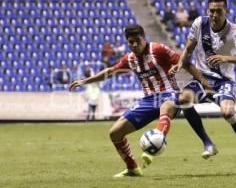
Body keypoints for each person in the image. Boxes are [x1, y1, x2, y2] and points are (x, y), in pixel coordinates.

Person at [69, 24, 212, 177]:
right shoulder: (130, 59)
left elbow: (185, 62)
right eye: (131, 42)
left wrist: (203, 82)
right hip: (148, 101)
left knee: (167, 106)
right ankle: (133, 168)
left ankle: (154, 145)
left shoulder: (158, 49)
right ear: (127, 42)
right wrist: (85, 81)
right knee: (114, 133)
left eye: (138, 40)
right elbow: (110, 72)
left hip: (168, 94)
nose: (135, 45)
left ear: (144, 38)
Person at [169, 0, 236, 173]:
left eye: (219, 11)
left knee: (227, 112)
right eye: (212, 11)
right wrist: (179, 64)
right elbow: (188, 49)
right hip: (202, 77)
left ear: (226, 11)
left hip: (224, 80)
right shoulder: (198, 24)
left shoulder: (234, 31)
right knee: (183, 99)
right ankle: (207, 142)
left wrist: (226, 57)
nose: (214, 14)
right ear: (207, 11)